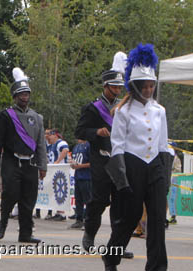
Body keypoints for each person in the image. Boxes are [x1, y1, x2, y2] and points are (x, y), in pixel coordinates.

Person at [102, 44, 171, 271]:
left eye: (152, 85)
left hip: (156, 166)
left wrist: (165, 175)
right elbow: (118, 146)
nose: (149, 90)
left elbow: (163, 146)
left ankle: (157, 267)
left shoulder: (159, 111)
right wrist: (122, 180)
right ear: (136, 86)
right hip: (133, 166)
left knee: (158, 219)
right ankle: (111, 257)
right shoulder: (123, 112)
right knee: (130, 218)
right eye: (145, 86)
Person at [75, 51, 133, 259]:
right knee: (99, 200)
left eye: (119, 87)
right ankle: (90, 232)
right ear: (105, 86)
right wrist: (96, 132)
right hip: (101, 158)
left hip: (121, 160)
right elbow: (79, 132)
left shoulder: (125, 108)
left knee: (121, 203)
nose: (117, 91)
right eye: (114, 87)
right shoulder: (92, 108)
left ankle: (117, 244)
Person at [0, 67, 47, 243]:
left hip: (30, 163)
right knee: (10, 193)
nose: (24, 97)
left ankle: (25, 233)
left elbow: (40, 144)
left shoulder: (37, 117)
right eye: (21, 94)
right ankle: (3, 221)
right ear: (15, 96)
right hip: (11, 160)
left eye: (26, 94)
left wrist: (42, 165)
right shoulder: (6, 115)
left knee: (28, 198)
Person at [45, 129, 69, 221]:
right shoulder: (51, 145)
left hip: (60, 171)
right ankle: (58, 211)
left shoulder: (60, 143)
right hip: (55, 171)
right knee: (55, 191)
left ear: (55, 135)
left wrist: (57, 162)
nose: (49, 137)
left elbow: (65, 150)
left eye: (50, 135)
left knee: (60, 190)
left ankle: (61, 213)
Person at [68, 139, 91, 229]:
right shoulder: (76, 147)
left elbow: (93, 162)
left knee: (88, 200)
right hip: (78, 176)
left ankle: (88, 220)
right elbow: (74, 159)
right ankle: (79, 219)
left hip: (87, 176)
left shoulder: (89, 145)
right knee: (78, 200)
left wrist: (80, 166)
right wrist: (73, 164)